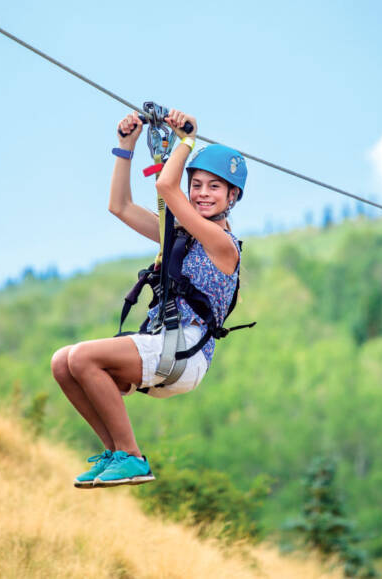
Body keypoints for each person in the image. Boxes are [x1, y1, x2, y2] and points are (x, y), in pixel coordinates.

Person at [49, 109, 246, 488]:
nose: (202, 193)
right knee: (63, 362)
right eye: (198, 185)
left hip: (185, 350)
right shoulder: (180, 239)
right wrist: (126, 148)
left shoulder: (223, 245)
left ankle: (133, 457)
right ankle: (117, 453)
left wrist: (186, 141)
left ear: (232, 196)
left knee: (83, 356)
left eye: (214, 187)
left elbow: (166, 189)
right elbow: (119, 206)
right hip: (164, 344)